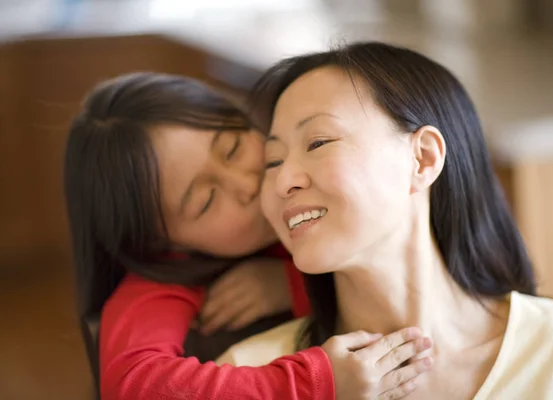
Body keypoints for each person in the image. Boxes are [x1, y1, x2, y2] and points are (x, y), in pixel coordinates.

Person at [216, 42, 553, 399]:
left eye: (318, 143)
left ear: (423, 159)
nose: (283, 181)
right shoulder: (247, 375)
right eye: (273, 162)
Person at [63, 72, 433, 400]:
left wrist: (290, 283)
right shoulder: (159, 278)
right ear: (163, 246)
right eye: (207, 200)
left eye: (233, 148)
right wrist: (312, 385)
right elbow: (132, 383)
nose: (247, 184)